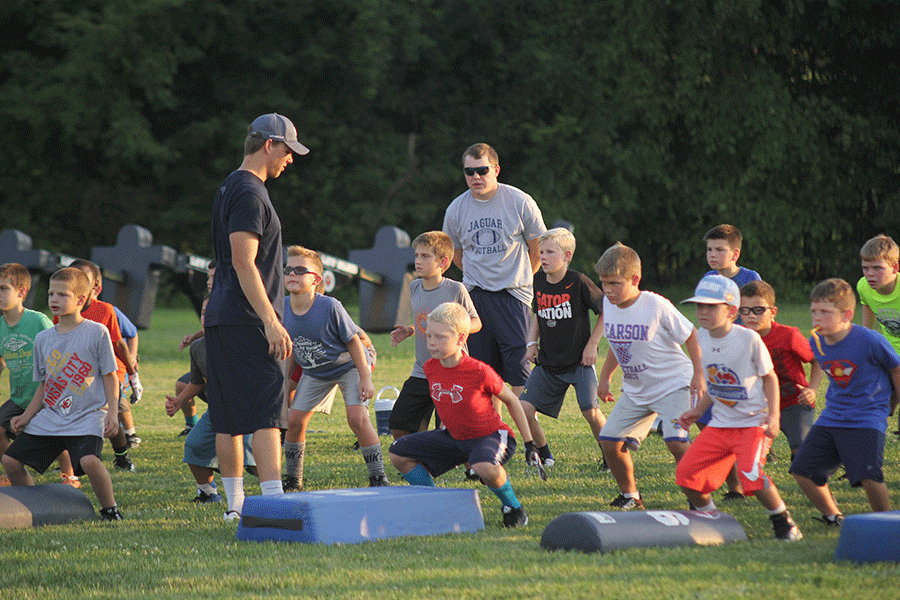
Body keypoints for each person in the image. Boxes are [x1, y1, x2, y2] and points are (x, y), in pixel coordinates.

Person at [205, 113, 307, 521]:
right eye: (287, 150)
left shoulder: (230, 183)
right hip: (247, 317)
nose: (290, 159)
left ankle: (235, 507)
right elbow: (244, 262)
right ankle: (274, 504)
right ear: (269, 145)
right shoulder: (250, 191)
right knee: (268, 411)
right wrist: (269, 318)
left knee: (228, 416)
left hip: (223, 313)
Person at [388, 302, 539, 527]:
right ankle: (435, 502)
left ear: (460, 339)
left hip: (490, 436)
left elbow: (512, 401)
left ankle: (513, 507)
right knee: (397, 453)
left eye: (440, 337)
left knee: (483, 467)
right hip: (454, 438)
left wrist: (530, 443)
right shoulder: (430, 367)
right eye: (429, 335)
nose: (431, 342)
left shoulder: (479, 370)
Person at [676, 275, 803, 541]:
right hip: (721, 424)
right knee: (686, 475)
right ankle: (713, 519)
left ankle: (783, 521)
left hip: (753, 423)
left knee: (751, 474)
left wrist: (774, 416)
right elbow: (715, 382)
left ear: (732, 311)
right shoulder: (702, 339)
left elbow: (770, 378)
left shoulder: (748, 339)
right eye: (699, 306)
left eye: (711, 307)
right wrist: (699, 411)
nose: (703, 312)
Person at [1, 268, 123, 520]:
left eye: (62, 294)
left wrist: (112, 413)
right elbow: (45, 385)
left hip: (87, 415)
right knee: (11, 461)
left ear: (80, 299)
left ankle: (110, 509)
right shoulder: (43, 339)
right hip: (52, 416)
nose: (54, 299)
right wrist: (27, 416)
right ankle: (33, 505)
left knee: (89, 461)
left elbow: (111, 376)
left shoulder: (96, 332)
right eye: (50, 293)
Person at [595, 242, 704, 510]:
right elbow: (617, 344)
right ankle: (630, 496)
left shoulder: (655, 304)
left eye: (614, 283)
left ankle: (701, 501)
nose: (608, 290)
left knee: (676, 441)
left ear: (635, 279)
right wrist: (606, 376)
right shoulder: (610, 304)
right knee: (609, 441)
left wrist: (699, 374)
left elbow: (692, 335)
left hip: (673, 385)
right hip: (637, 391)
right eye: (604, 283)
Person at [790, 278, 900, 526]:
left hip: (867, 416)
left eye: (825, 312)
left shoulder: (870, 340)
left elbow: (896, 369)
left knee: (868, 475)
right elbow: (818, 363)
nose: (817, 318)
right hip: (833, 415)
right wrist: (811, 387)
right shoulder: (817, 342)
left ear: (847, 315)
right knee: (801, 470)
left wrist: (892, 404)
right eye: (814, 311)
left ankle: (885, 524)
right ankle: (832, 516)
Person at [442, 143, 546, 399]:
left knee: (519, 370)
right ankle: (493, 434)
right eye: (469, 172)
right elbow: (452, 250)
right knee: (484, 372)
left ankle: (531, 437)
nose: (476, 177)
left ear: (496, 170)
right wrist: (475, 273)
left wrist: (523, 278)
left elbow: (538, 248)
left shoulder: (520, 201)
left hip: (514, 296)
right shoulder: (456, 208)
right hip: (475, 296)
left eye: (482, 170)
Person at [280, 246, 387, 490]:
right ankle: (294, 480)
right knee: (294, 420)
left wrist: (364, 378)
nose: (292, 274)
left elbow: (354, 343)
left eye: (300, 270)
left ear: (316, 279)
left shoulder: (329, 306)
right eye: (288, 270)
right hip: (316, 371)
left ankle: (378, 477)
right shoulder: (282, 307)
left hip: (350, 364)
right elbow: (293, 350)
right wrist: (286, 382)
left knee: (357, 418)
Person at [519, 228, 608, 472]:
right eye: (541, 252)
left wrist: (592, 345)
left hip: (579, 362)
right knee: (524, 408)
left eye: (550, 252)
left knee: (590, 410)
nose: (543, 257)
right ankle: (544, 454)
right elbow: (538, 315)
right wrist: (531, 343)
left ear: (567, 255)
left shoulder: (578, 281)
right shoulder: (538, 280)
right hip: (548, 363)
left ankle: (610, 455)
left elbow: (605, 311)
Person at [388, 231, 481, 440]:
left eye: (425, 256)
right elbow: (427, 320)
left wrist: (453, 328)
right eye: (416, 255)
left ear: (443, 261)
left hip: (451, 371)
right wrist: (410, 330)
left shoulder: (455, 289)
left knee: (452, 431)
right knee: (398, 424)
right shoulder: (414, 287)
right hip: (422, 370)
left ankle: (470, 469)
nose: (418, 261)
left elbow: (476, 322)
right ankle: (416, 465)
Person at [165, 296, 256, 503]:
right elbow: (198, 382)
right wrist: (179, 401)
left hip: (248, 409)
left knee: (255, 463)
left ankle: (278, 488)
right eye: (205, 313)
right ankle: (208, 492)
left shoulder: (243, 341)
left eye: (214, 312)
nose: (208, 317)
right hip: (218, 410)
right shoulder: (199, 347)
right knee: (194, 446)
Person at [696, 224, 762, 495]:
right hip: (717, 353)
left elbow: (757, 314)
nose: (713, 254)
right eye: (710, 249)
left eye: (719, 250)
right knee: (708, 416)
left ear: (735, 254)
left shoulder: (749, 276)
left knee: (739, 416)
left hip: (743, 353)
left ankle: (749, 465)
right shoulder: (709, 277)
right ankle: (733, 484)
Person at [66, 259, 137, 473]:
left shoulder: (106, 310)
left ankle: (122, 455)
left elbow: (120, 343)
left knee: (109, 417)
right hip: (78, 373)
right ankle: (71, 462)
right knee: (70, 413)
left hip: (106, 372)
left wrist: (133, 376)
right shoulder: (61, 310)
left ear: (95, 287)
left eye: (82, 279)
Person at [0, 263, 64, 486]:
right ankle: (14, 474)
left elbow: (57, 353)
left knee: (52, 436)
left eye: (3, 289)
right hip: (19, 396)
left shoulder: (37, 321)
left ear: (21, 292)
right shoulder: (0, 326)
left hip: (44, 396)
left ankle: (69, 476)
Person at [739, 280, 816, 459]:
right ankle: (766, 451)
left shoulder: (788, 335)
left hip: (793, 402)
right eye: (745, 310)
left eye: (758, 310)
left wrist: (812, 389)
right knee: (746, 456)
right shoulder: (739, 336)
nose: (751, 316)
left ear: (772, 312)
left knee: (801, 455)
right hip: (757, 406)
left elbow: (817, 360)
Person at [856, 234, 900, 435]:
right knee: (879, 404)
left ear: (895, 268)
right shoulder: (863, 286)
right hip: (890, 352)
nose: (870, 274)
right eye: (866, 268)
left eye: (878, 268)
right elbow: (867, 315)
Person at [177, 260, 216, 436]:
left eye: (213, 277)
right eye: (208, 277)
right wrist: (194, 337)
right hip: (210, 360)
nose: (208, 281)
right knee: (182, 385)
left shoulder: (236, 299)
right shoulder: (210, 299)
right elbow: (210, 327)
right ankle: (191, 426)